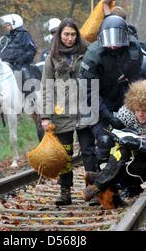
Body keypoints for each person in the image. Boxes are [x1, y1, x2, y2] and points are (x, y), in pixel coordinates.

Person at [82, 80, 146, 206]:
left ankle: (97, 182)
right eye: (137, 110)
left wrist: (142, 143)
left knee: (129, 163)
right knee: (121, 151)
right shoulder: (127, 113)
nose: (140, 114)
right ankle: (100, 183)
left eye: (145, 110)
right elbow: (113, 129)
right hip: (128, 157)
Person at [41, 18, 97, 206]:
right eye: (66, 34)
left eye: (73, 34)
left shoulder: (87, 54)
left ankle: (92, 191)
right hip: (62, 112)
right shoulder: (52, 58)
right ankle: (65, 192)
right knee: (65, 154)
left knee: (89, 152)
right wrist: (46, 116)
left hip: (84, 111)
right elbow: (46, 88)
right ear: (59, 35)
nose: (70, 38)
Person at [79, 15, 145, 169]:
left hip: (122, 96)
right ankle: (100, 175)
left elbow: (136, 82)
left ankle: (126, 177)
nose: (114, 45)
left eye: (118, 39)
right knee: (104, 139)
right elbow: (90, 93)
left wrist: (129, 109)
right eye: (110, 39)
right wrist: (108, 116)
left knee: (129, 138)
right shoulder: (93, 55)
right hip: (97, 100)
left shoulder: (134, 50)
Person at [0, 13, 37, 98]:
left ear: (15, 23)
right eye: (5, 25)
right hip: (6, 65)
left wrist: (22, 59)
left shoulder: (24, 34)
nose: (6, 27)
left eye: (8, 25)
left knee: (27, 78)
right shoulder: (5, 37)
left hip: (20, 64)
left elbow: (32, 49)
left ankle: (31, 99)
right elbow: (1, 51)